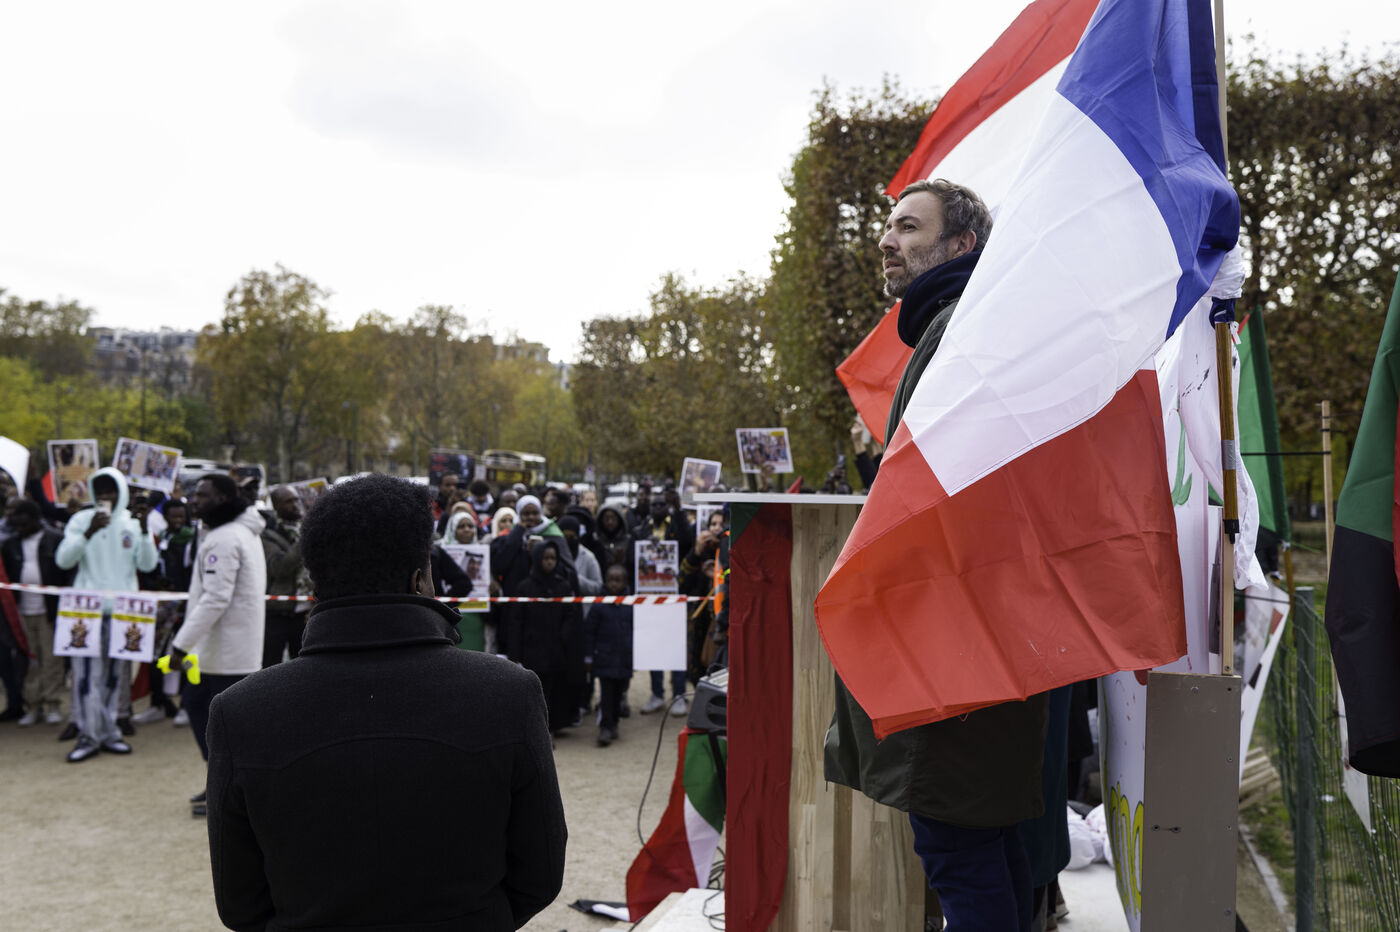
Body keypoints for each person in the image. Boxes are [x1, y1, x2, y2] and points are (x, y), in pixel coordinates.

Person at [823, 179, 1049, 931]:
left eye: (908, 227)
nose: (887, 240)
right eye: (889, 225)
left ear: (961, 245)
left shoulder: (956, 332)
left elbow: (935, 498)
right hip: (982, 634)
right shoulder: (970, 325)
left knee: (959, 847)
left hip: (953, 641)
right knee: (985, 835)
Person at [205, 474, 566, 929]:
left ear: (314, 583)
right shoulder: (508, 693)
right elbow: (540, 872)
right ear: (420, 579)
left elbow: (240, 903)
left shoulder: (241, 712)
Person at [171, 474, 267, 813]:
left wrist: (180, 646)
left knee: (219, 724)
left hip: (225, 653)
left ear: (222, 499)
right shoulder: (236, 532)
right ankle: (220, 780)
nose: (194, 501)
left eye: (202, 495)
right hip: (223, 650)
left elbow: (215, 599)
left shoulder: (226, 538)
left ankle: (229, 790)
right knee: (200, 707)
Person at [55, 468, 159, 761]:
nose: (105, 497)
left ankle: (110, 732)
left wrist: (144, 531)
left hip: (123, 611)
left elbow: (148, 565)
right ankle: (88, 736)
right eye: (99, 492)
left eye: (110, 491)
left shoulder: (132, 522)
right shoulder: (80, 520)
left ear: (120, 492)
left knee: (115, 676)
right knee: (87, 677)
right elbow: (63, 560)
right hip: (85, 612)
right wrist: (87, 533)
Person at [1, 499, 71, 725]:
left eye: (24, 524)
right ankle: (33, 705)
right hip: (22, 611)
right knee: (29, 660)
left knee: (51, 660)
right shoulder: (10, 545)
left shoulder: (55, 539)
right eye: (17, 525)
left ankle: (52, 703)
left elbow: (65, 574)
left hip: (48, 610)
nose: (21, 529)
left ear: (35, 519)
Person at [503, 539, 581, 735]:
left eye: (553, 558)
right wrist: (515, 654)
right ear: (537, 559)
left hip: (557, 650)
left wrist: (563, 636)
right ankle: (538, 729)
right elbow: (516, 622)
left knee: (556, 689)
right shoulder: (524, 587)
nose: (549, 562)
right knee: (537, 691)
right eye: (545, 558)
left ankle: (554, 726)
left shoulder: (563, 585)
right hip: (533, 650)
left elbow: (571, 614)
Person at [585, 563, 633, 747]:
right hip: (604, 659)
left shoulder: (631, 604)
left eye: (618, 580)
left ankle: (614, 723)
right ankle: (604, 727)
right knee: (606, 695)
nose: (614, 584)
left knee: (619, 693)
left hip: (624, 659)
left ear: (625, 583)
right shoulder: (599, 605)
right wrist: (588, 656)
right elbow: (589, 632)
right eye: (610, 580)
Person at [261, 486, 305, 668]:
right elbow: (278, 567)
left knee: (302, 666)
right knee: (271, 665)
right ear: (276, 505)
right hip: (277, 612)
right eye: (288, 501)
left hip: (304, 613)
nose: (295, 505)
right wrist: (304, 541)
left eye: (296, 500)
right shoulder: (268, 534)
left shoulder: (301, 528)